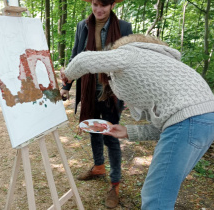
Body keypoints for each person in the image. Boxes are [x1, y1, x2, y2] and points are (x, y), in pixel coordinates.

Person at [61, 34, 214, 209]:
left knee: (155, 199)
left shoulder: (129, 53)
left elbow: (84, 60)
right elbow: (169, 127)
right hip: (208, 121)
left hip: (190, 122)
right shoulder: (160, 65)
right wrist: (128, 131)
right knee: (162, 192)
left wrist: (67, 75)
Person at [60, 0, 132, 208]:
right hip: (89, 87)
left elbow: (128, 60)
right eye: (95, 4)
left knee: (110, 135)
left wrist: (128, 93)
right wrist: (67, 85)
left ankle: (115, 182)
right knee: (93, 129)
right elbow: (76, 55)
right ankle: (99, 166)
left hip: (112, 90)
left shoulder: (124, 27)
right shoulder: (83, 25)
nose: (99, 10)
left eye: (104, 5)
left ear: (111, 6)